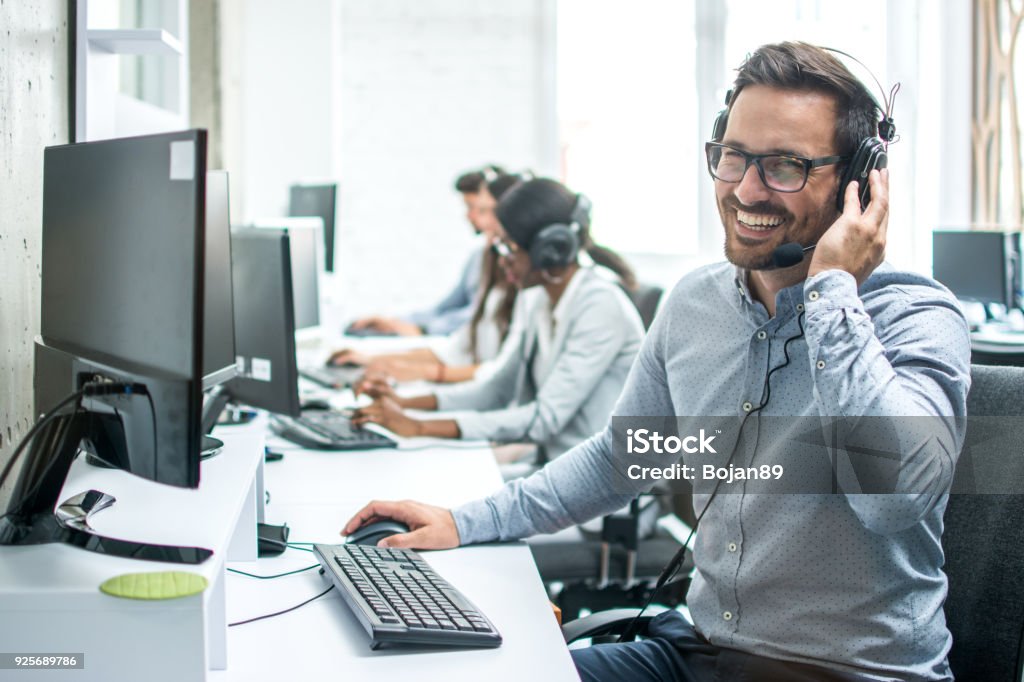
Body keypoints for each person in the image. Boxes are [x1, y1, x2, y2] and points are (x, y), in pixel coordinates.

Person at [342, 42, 972, 681]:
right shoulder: (696, 303)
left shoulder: (916, 317)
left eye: (786, 165)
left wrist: (833, 291)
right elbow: (622, 458)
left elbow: (892, 501)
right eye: (733, 158)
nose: (748, 189)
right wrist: (464, 520)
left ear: (858, 184)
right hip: (696, 655)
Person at [350, 178, 644, 463]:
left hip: (604, 487)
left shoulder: (600, 305)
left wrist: (419, 427)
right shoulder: (538, 298)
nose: (501, 260)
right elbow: (496, 389)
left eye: (508, 247)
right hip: (558, 468)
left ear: (548, 249)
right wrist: (404, 405)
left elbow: (545, 419)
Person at [329, 173, 524, 383]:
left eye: (483, 210)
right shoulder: (484, 259)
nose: (473, 217)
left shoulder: (520, 285)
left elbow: (497, 371)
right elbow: (453, 332)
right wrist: (376, 356)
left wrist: (420, 338)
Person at [346, 165, 504, 337]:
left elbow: (483, 317)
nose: (470, 216)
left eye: (477, 208)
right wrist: (395, 322)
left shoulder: (510, 263)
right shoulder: (478, 258)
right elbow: (444, 308)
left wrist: (424, 329)